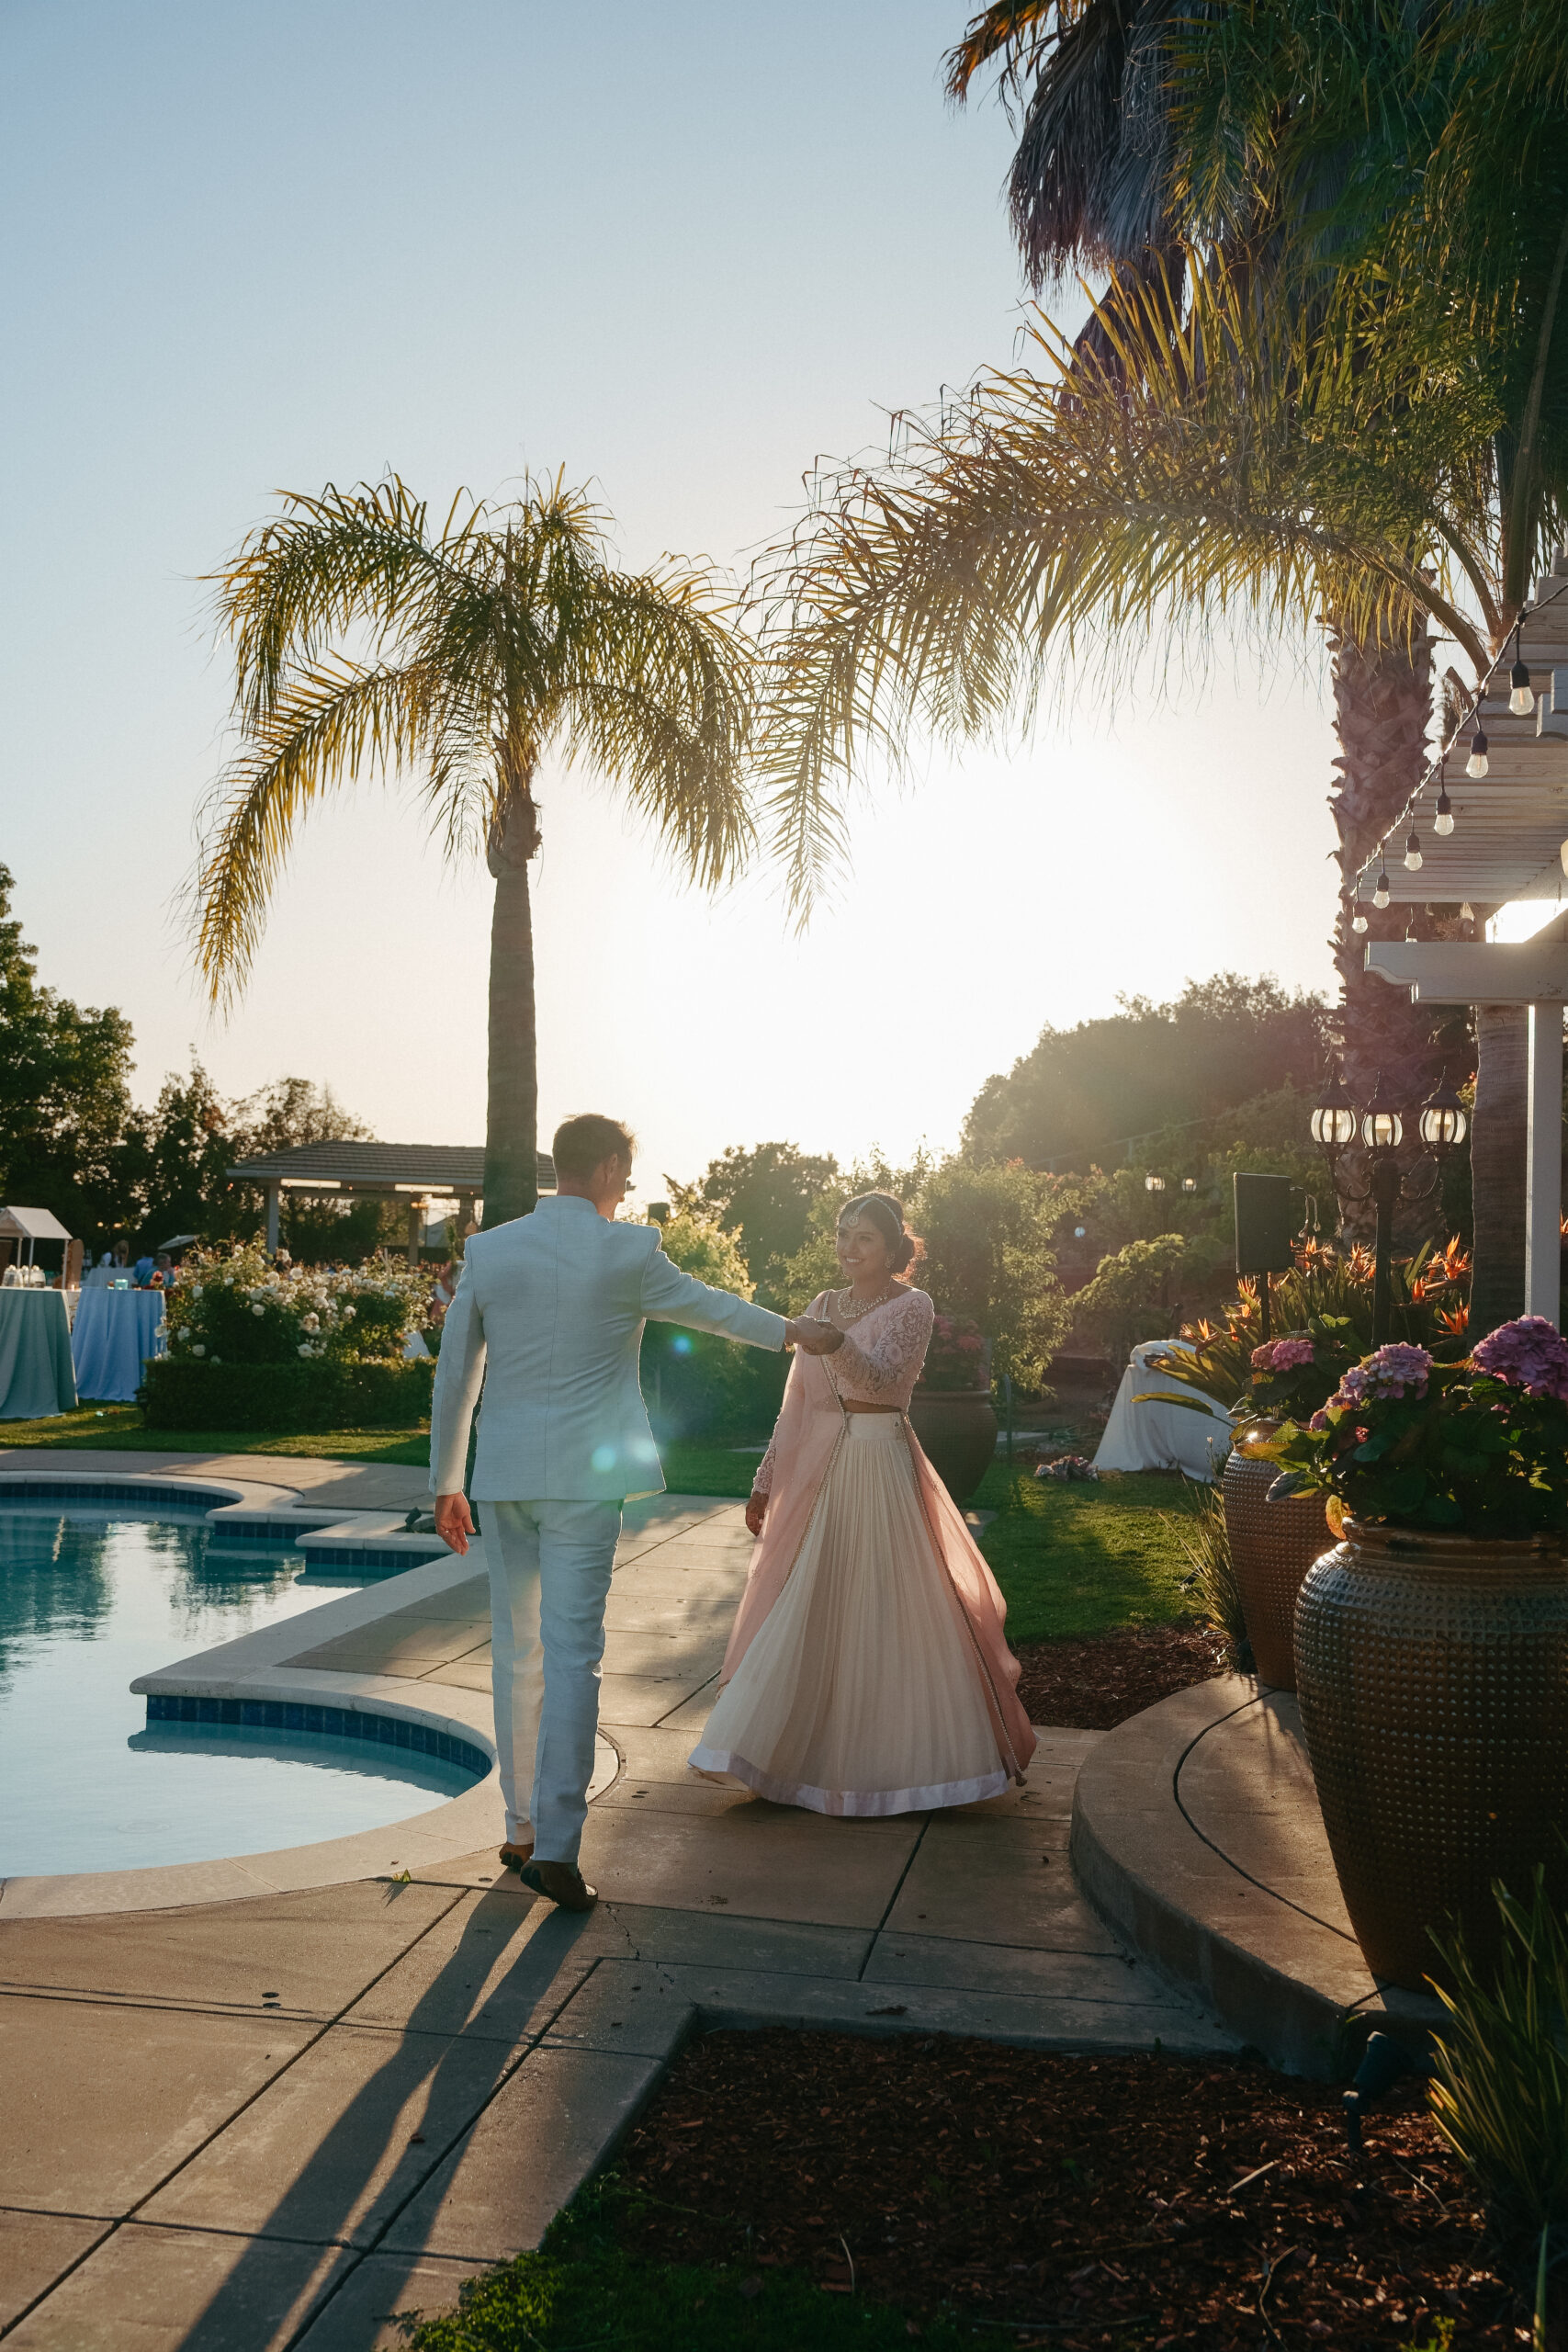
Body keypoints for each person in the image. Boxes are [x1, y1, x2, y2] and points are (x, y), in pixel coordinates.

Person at [430, 1112, 843, 1914]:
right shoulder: (628, 1251)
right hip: (586, 1483)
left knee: (518, 1651)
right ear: (612, 1168)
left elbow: (455, 1374)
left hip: (503, 1477)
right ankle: (555, 1846)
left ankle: (519, 1830)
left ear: (560, 1167)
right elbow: (712, 1308)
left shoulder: (490, 1249)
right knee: (572, 1653)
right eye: (627, 1170)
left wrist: (447, 1480)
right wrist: (795, 1333)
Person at [691, 1192, 1036, 1815]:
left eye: (865, 1238)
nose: (849, 1248)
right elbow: (794, 1403)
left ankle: (911, 1770)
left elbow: (880, 1380)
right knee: (810, 1598)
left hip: (880, 1458)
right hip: (819, 1466)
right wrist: (765, 1481)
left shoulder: (913, 1305)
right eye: (842, 1234)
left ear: (894, 1245)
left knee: (888, 1601)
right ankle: (784, 1760)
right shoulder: (821, 1307)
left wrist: (834, 1345)